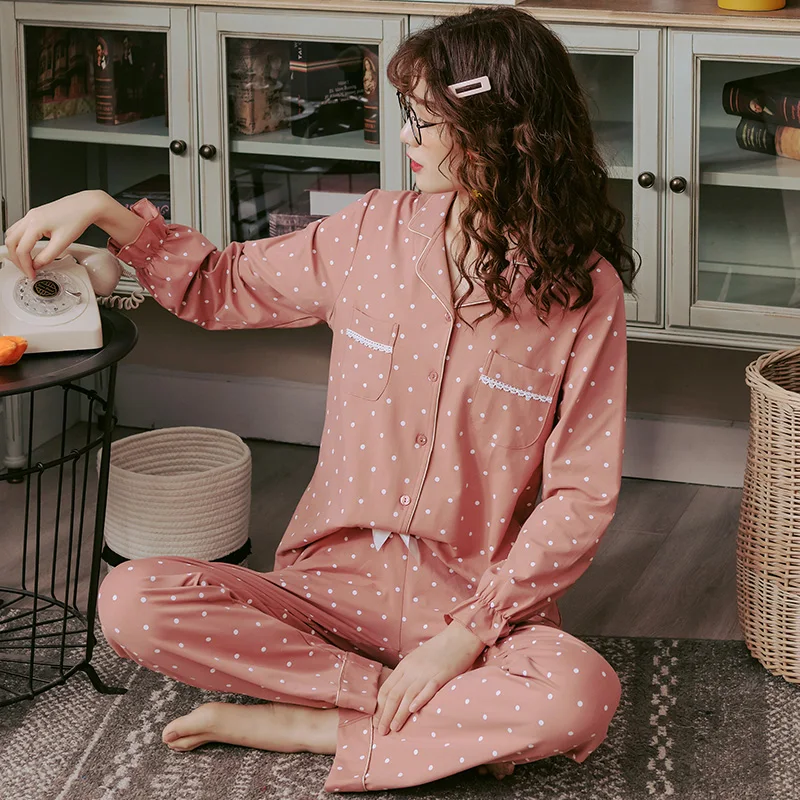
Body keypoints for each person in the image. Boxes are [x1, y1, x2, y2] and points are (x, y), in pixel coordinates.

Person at [3, 7, 636, 793]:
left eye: (426, 120)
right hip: (327, 589)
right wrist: (106, 212)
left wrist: (463, 639)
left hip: (473, 607)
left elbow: (579, 496)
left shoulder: (583, 292)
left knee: (580, 695)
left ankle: (314, 724)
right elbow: (219, 285)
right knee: (131, 601)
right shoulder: (368, 234)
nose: (405, 136)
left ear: (498, 129)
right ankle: (389, 710)